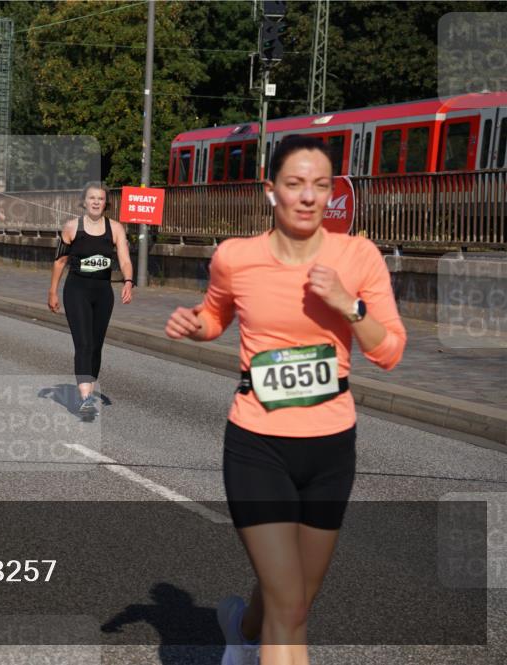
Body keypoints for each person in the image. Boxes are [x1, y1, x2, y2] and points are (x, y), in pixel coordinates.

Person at [164, 135, 406, 665]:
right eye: (295, 184)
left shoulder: (358, 256)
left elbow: (389, 352)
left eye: (320, 185)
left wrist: (349, 304)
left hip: (331, 450)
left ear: (332, 192)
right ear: (270, 189)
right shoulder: (236, 256)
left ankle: (241, 630)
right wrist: (196, 326)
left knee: (295, 598)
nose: (308, 196)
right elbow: (215, 315)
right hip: (257, 445)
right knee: (291, 606)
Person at [47, 183, 134, 417]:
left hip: (103, 292)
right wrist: (53, 291)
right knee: (84, 343)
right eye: (92, 198)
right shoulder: (72, 227)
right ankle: (85, 397)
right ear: (84, 202)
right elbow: (60, 261)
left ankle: (89, 388)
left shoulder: (115, 228)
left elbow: (125, 259)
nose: (96, 202)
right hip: (77, 290)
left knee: (96, 345)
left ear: (106, 203)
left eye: (100, 198)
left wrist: (128, 281)